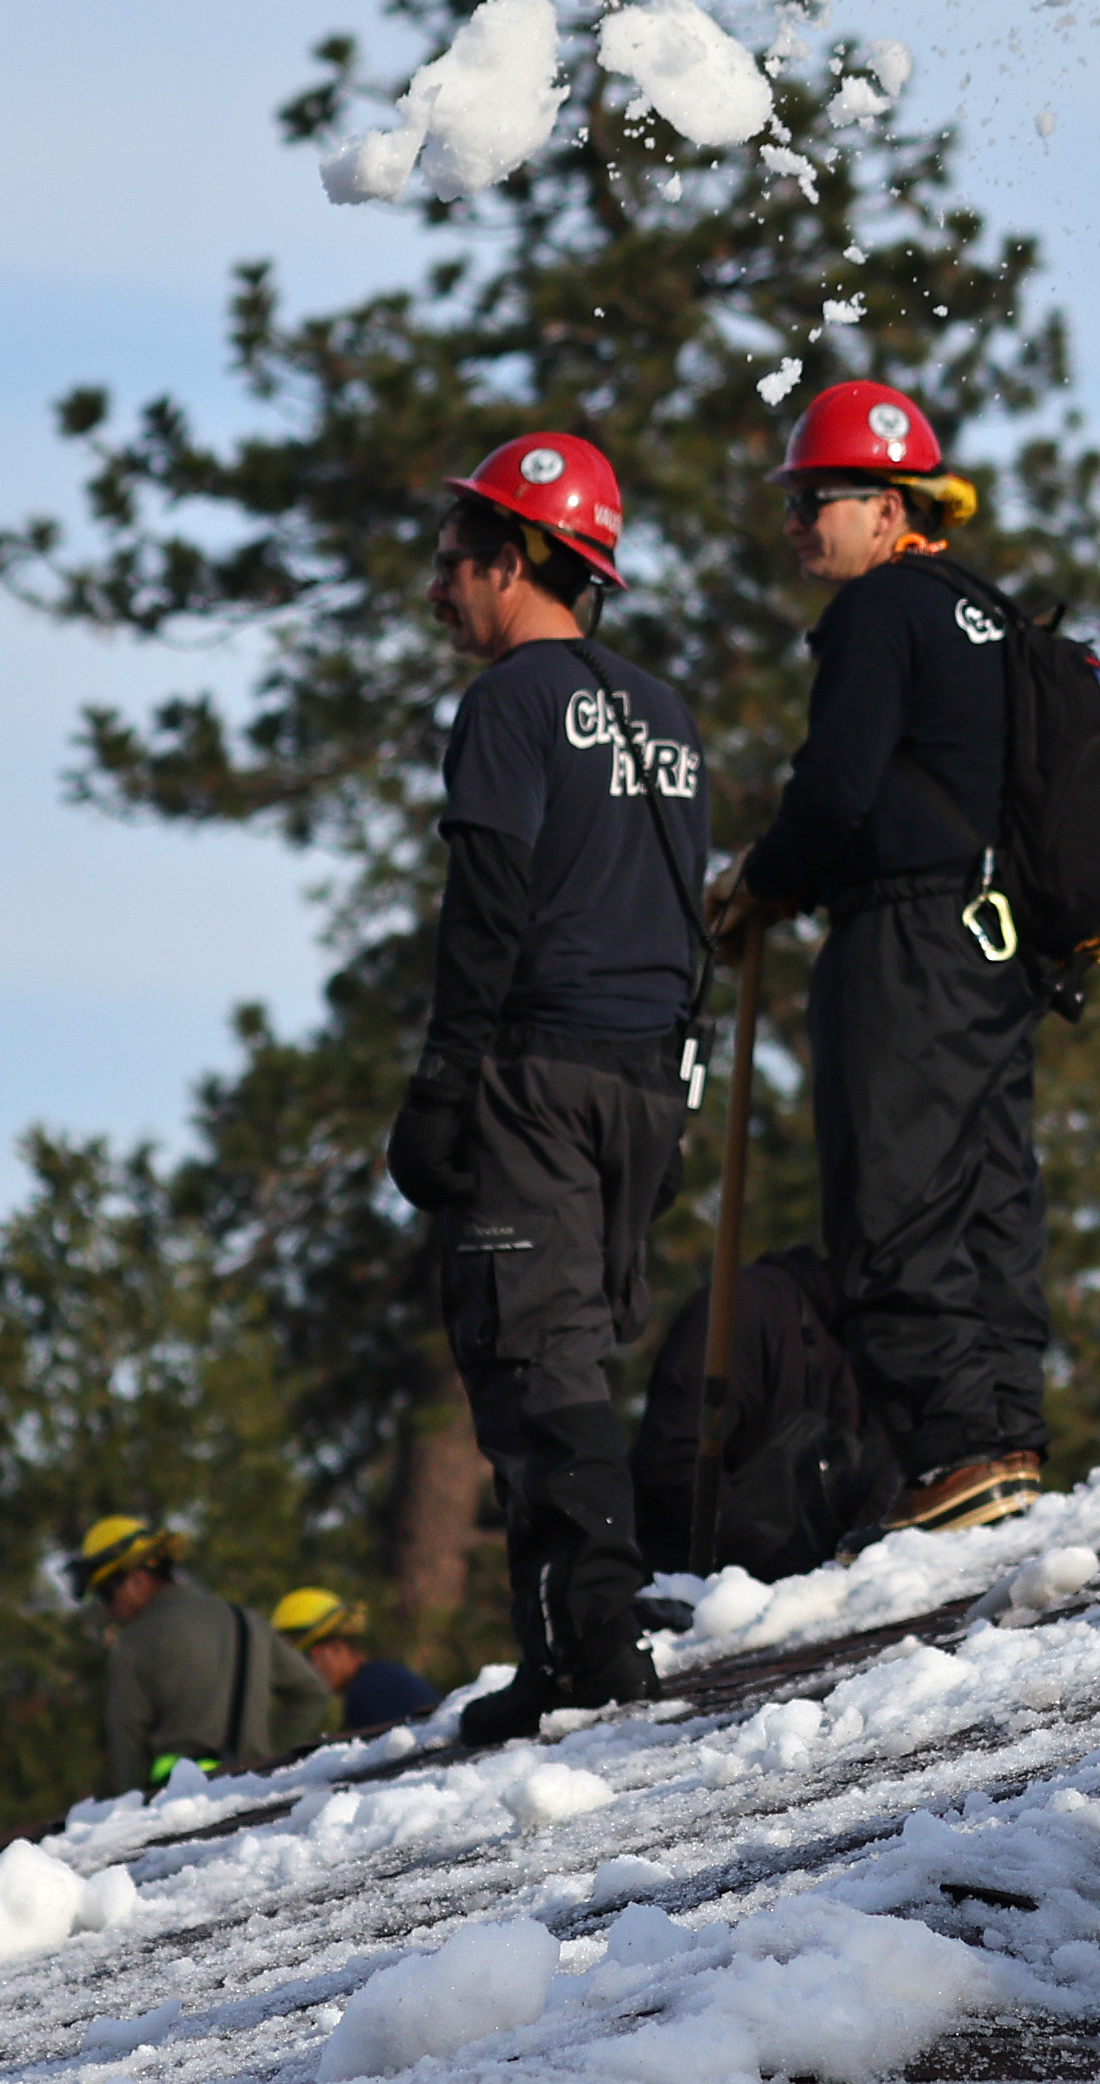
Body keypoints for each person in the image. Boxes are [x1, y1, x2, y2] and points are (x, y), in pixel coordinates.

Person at [381, 431, 711, 1743]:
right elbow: (689, 916)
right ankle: (573, 1633)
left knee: (534, 1348)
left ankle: (595, 1642)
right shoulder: (663, 711)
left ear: (515, 561)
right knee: (569, 1338)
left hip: (542, 1071)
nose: (438, 591)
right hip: (646, 1076)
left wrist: (446, 1077)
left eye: (453, 563)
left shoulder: (511, 705)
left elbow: (489, 903)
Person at [708, 382, 1051, 1542]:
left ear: (888, 501)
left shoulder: (880, 610)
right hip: (995, 940)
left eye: (819, 498)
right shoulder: (986, 610)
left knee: (894, 1191)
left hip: (902, 934)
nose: (799, 522)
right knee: (987, 1183)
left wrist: (764, 876)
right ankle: (1002, 1431)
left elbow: (835, 789)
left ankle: (952, 1450)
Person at [70, 1518, 330, 1792]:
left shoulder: (134, 1641)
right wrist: (268, 1755)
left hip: (179, 1801)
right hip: (255, 1790)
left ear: (136, 1579)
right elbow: (311, 1693)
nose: (107, 1610)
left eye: (105, 1595)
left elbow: (128, 1743)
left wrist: (131, 1811)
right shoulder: (246, 1620)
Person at [274, 1589, 446, 1731]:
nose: (300, 1670)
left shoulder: (371, 1691)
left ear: (336, 1648)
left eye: (305, 1657)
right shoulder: (379, 1678)